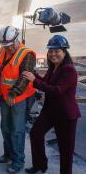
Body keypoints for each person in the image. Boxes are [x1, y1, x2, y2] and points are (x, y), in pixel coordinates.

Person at [23, 35, 81, 174]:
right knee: (35, 134)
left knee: (65, 149)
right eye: (51, 51)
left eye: (57, 51)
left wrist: (34, 80)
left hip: (65, 115)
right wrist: (35, 75)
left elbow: (57, 90)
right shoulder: (54, 67)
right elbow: (47, 83)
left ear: (64, 52)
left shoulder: (69, 70)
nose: (53, 54)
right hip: (50, 111)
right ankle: (40, 165)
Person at [0, 26, 36, 174]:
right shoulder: (2, 50)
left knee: (17, 130)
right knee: (5, 128)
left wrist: (13, 94)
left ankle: (18, 161)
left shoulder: (27, 54)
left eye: (11, 44)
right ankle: (8, 154)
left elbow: (24, 78)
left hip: (19, 97)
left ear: (16, 39)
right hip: (5, 97)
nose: (9, 48)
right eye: (5, 45)